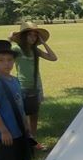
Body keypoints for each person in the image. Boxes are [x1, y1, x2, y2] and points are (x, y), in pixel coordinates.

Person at [9, 22, 57, 151]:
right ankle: (20, 143)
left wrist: (44, 42)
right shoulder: (16, 49)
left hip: (36, 87)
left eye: (35, 36)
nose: (32, 38)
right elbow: (4, 57)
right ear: (24, 36)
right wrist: (10, 39)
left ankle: (32, 142)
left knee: (34, 116)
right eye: (29, 35)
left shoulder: (36, 50)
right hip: (21, 87)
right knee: (21, 118)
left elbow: (53, 58)